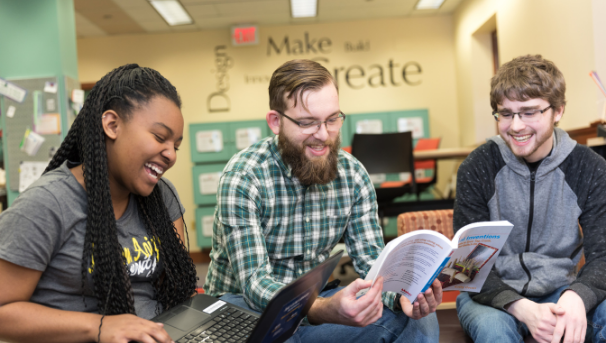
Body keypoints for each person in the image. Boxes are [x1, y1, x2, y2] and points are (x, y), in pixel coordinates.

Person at [203, 59, 441, 342]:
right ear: (276, 121)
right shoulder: (243, 176)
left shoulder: (352, 174)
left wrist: (403, 294)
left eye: (332, 119)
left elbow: (370, 261)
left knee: (415, 318)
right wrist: (323, 309)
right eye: (307, 122)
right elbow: (255, 284)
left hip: (316, 301)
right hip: (243, 307)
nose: (323, 135)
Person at [0, 64, 198, 343]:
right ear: (112, 125)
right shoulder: (47, 204)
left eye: (175, 145)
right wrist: (100, 326)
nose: (170, 154)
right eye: (159, 137)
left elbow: (178, 286)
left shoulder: (162, 196)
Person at [454, 54, 606, 343]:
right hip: (492, 298)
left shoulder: (590, 167)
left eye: (529, 112)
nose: (516, 126)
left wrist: (577, 297)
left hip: (563, 289)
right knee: (494, 334)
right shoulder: (477, 167)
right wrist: (521, 308)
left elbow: (604, 257)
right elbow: (466, 268)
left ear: (558, 111)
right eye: (506, 113)